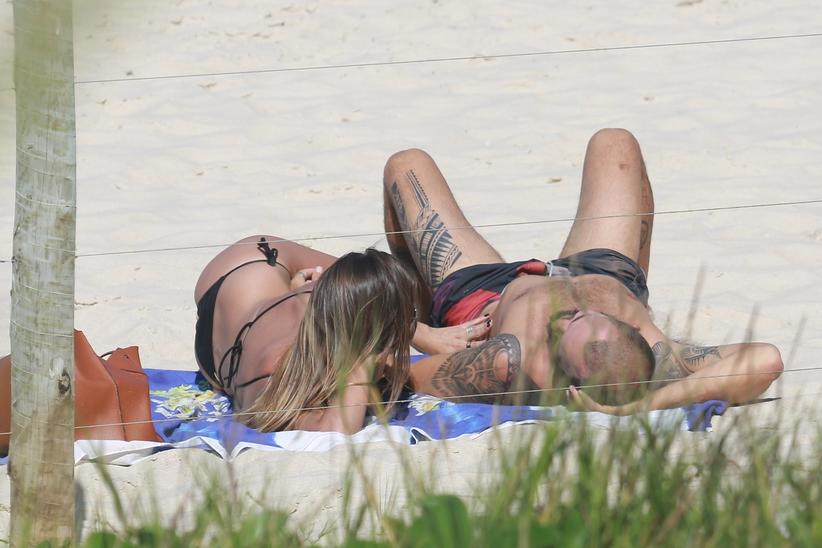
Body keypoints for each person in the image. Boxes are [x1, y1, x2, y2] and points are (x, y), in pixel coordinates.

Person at [383, 128, 784, 412]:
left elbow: (391, 370)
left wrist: (422, 333)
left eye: (562, 328)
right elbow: (767, 360)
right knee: (615, 143)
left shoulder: (507, 361)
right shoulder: (659, 359)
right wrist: (645, 404)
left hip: (483, 296)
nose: (568, 310)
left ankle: (429, 306)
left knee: (405, 166)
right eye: (588, 316)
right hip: (604, 273)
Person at [194, 237, 490, 433]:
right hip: (249, 266)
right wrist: (364, 366)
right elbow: (337, 430)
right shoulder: (271, 377)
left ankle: (418, 329)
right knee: (361, 287)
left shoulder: (324, 309)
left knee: (362, 279)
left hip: (299, 294)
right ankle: (422, 332)